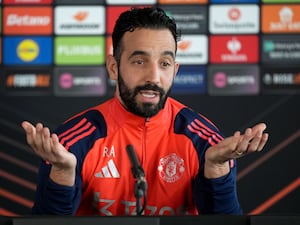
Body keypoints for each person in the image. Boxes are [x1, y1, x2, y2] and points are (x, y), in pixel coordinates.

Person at [22, 7, 269, 216]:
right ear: (113, 67)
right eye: (139, 61)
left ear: (175, 70)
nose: (154, 77)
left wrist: (216, 169)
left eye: (164, 63)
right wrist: (64, 173)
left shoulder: (205, 142)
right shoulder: (70, 144)